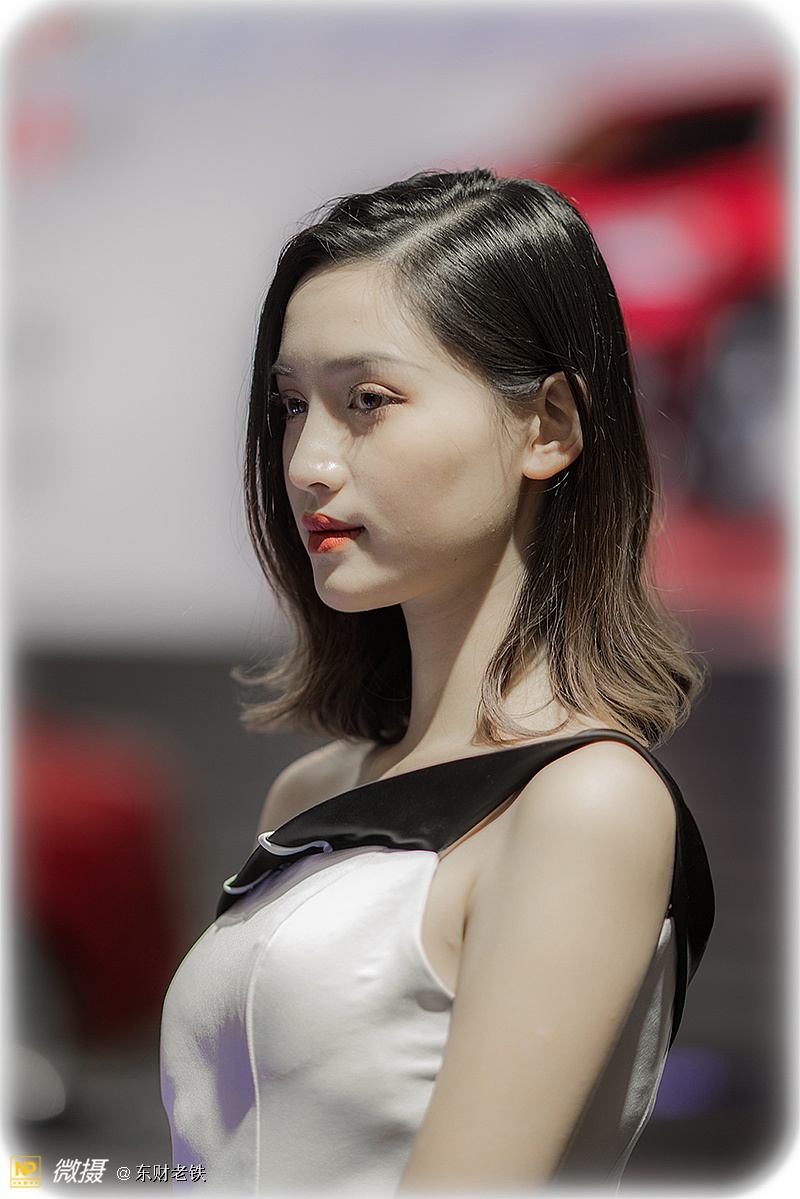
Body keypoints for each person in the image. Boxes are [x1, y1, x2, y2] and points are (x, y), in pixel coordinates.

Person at [159, 168, 714, 1193]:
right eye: (291, 405)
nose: (307, 462)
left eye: (367, 401)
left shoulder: (584, 804)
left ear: (547, 425)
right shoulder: (312, 792)